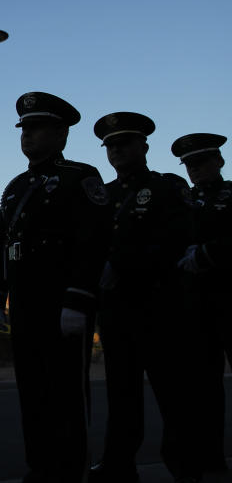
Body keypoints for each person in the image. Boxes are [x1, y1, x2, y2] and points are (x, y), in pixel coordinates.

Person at [0, 92, 110, 483]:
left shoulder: (81, 176)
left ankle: (71, 471)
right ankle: (39, 468)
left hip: (62, 304)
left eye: (37, 127)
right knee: (33, 394)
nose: (28, 135)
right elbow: (2, 244)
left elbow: (93, 241)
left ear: (61, 133)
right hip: (25, 304)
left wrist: (78, 298)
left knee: (66, 396)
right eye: (24, 128)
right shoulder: (15, 186)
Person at [89, 112, 201, 483]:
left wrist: (122, 264)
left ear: (144, 146)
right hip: (118, 311)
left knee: (175, 394)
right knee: (122, 395)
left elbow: (178, 239)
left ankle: (185, 465)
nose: (117, 150)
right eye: (111, 145)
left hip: (160, 306)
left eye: (125, 143)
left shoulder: (168, 186)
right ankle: (119, 464)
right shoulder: (104, 195)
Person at [171, 133, 232, 475]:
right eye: (190, 165)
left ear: (219, 162)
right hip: (197, 305)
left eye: (202, 162)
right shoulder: (183, 201)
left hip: (230, 298)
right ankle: (212, 461)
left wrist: (209, 254)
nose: (195, 170)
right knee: (204, 390)